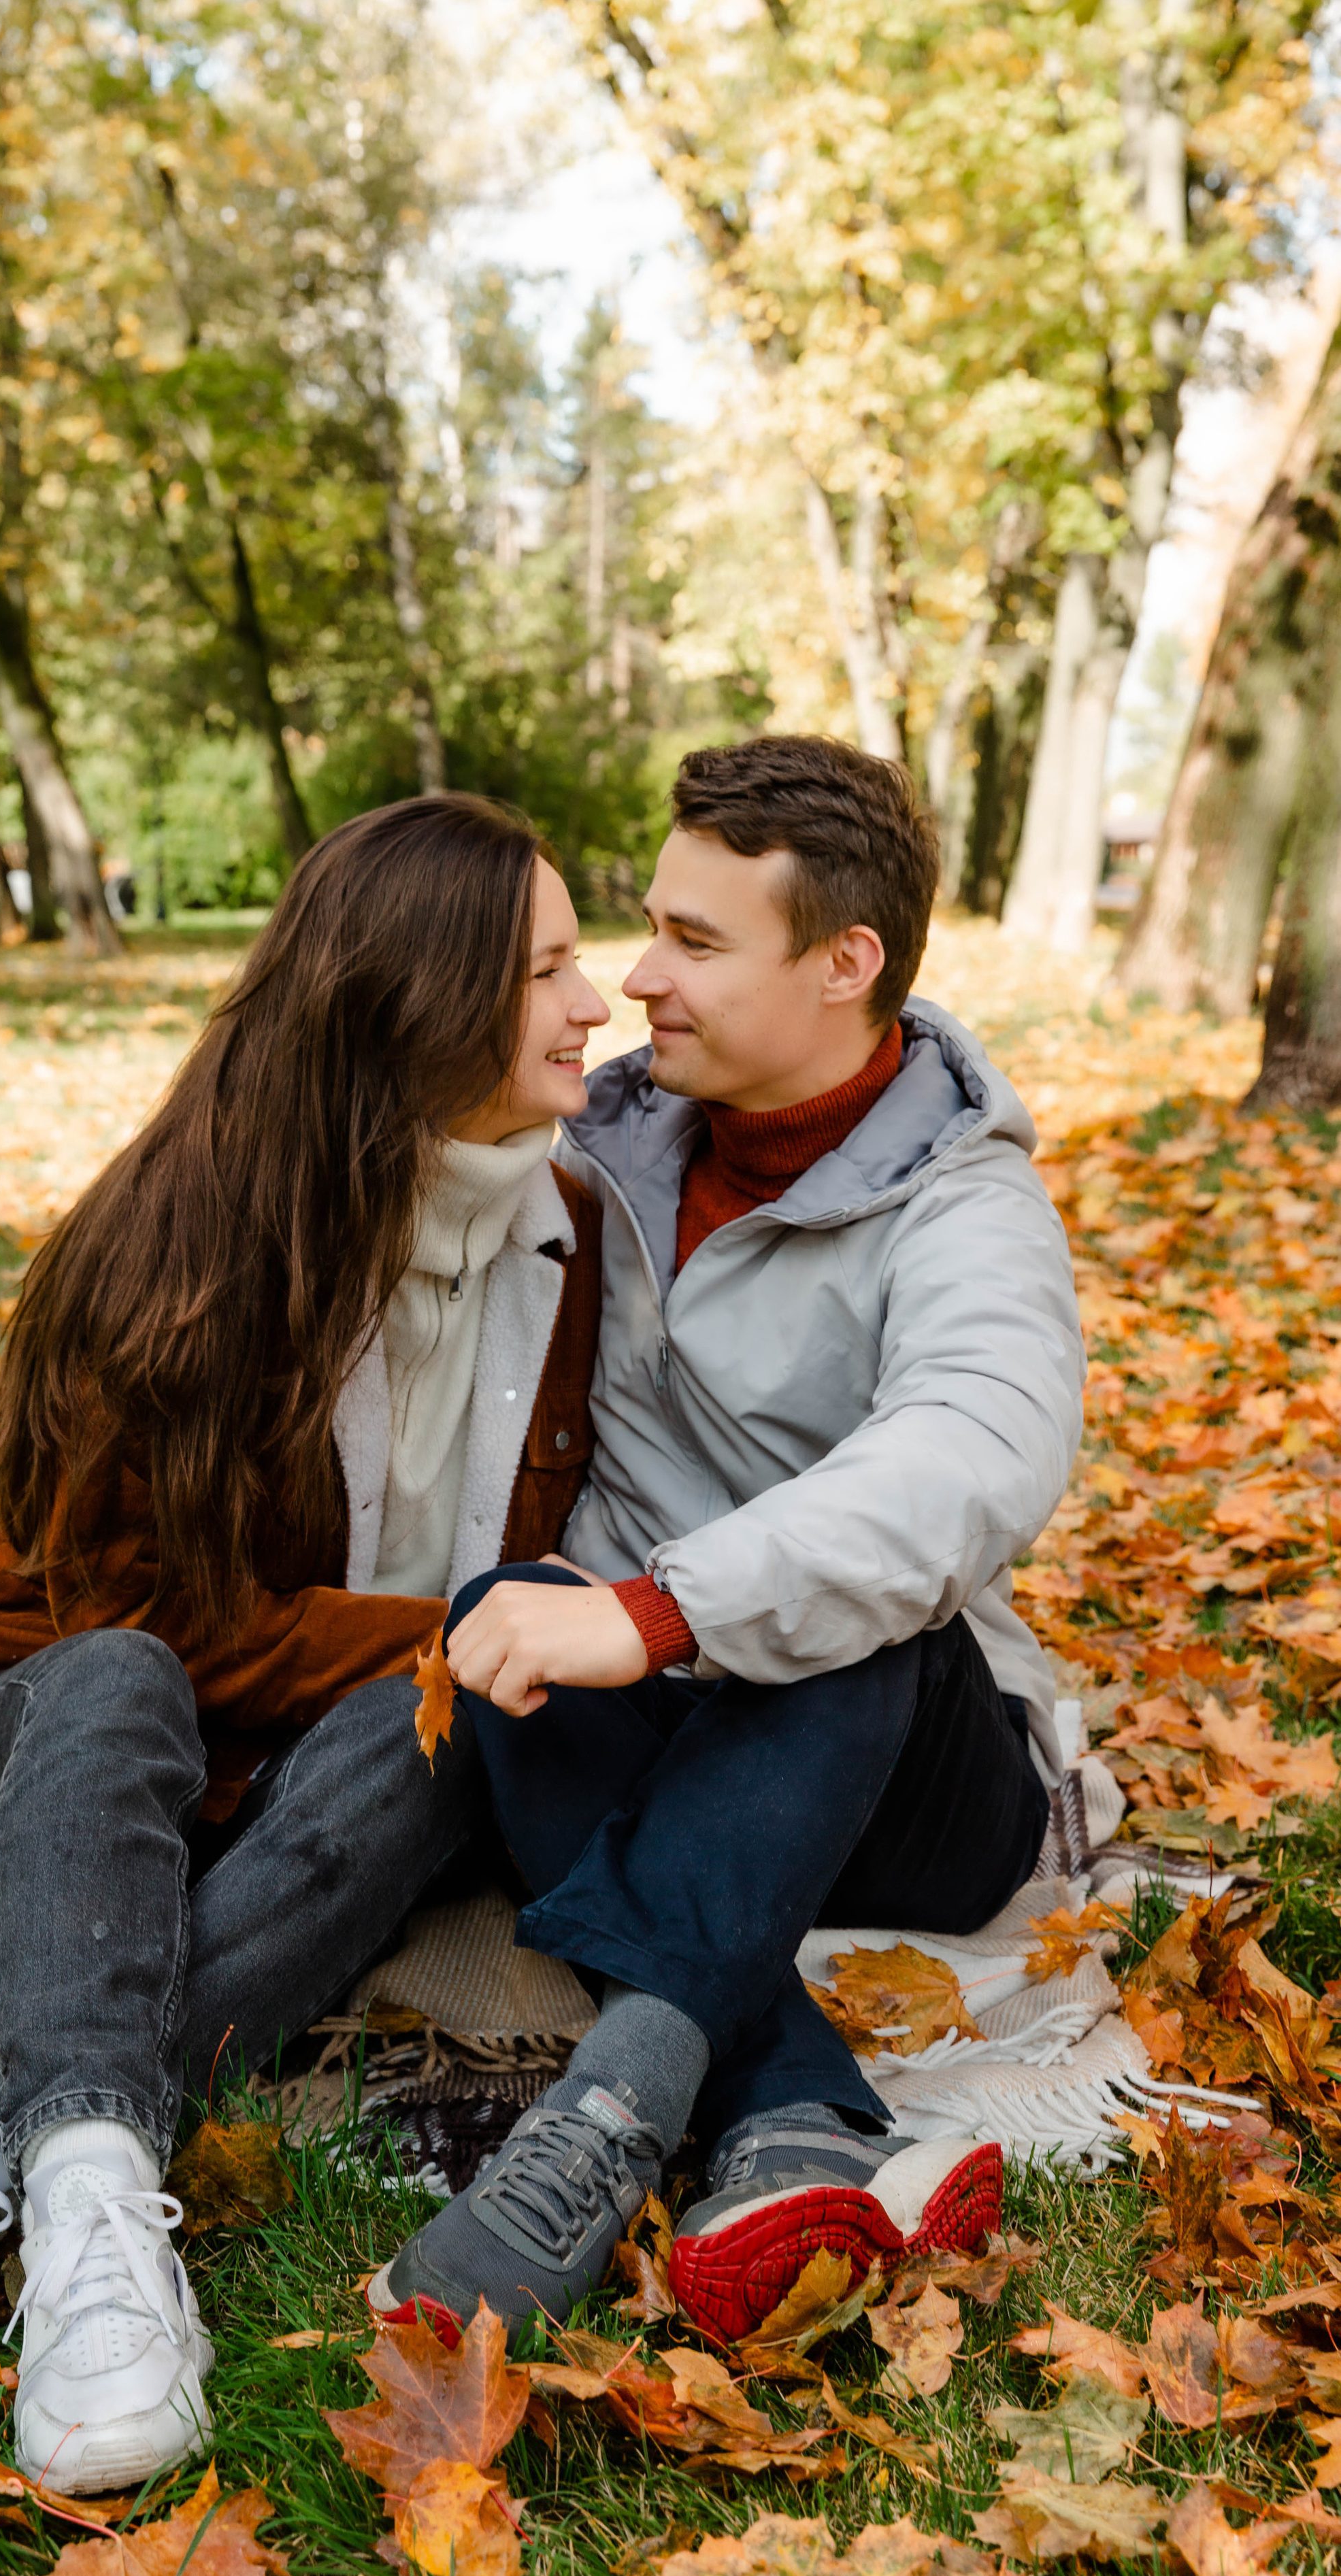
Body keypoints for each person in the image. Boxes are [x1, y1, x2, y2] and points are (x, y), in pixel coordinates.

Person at [0, 794, 611, 2491]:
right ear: (415, 1003)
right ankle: (83, 2172)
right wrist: (476, 1624)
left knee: (460, 1722)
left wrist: (491, 1650)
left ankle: (0, 2163)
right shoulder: (178, 1248)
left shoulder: (575, 1242)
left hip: (341, 1775)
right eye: (548, 968)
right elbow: (138, 1628)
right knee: (153, 1678)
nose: (598, 1001)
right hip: (69, 1756)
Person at [373, 734, 1085, 2342]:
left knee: (859, 1616)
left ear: (847, 964)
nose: (636, 979)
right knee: (500, 1621)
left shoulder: (963, 1206)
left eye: (695, 943)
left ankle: (615, 2109)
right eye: (648, 926)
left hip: (906, 1771)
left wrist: (656, 1611)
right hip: (660, 1720)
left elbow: (970, 1454)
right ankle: (788, 2122)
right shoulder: (605, 1151)